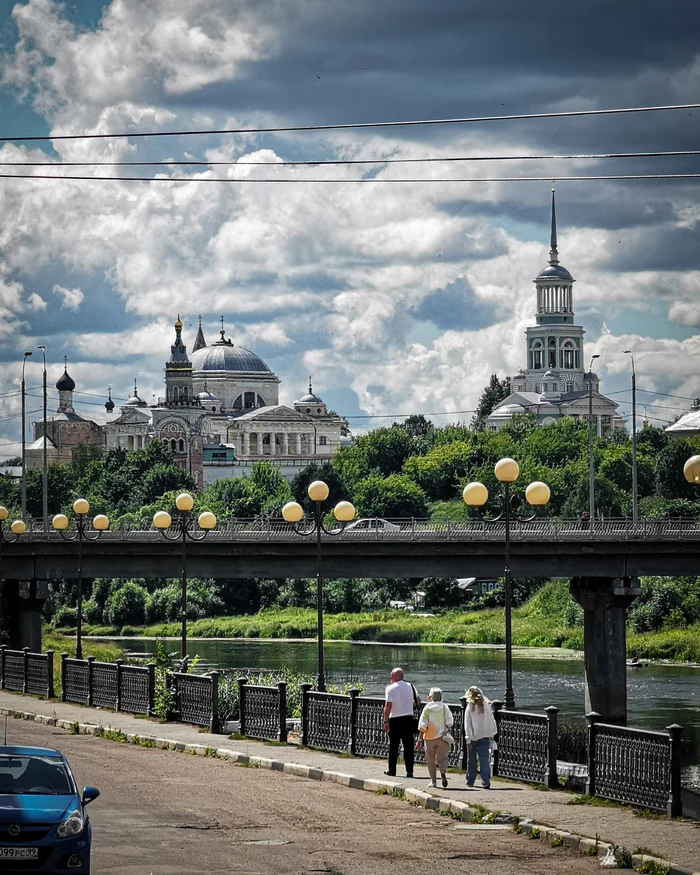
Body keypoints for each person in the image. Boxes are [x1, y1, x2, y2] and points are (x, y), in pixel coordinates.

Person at [383, 667, 420, 778]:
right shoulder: (411, 686)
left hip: (395, 720)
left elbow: (388, 705)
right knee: (409, 746)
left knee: (393, 746)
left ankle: (392, 770)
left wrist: (385, 721)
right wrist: (407, 704)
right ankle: (409, 771)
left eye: (391, 674)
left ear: (395, 675)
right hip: (408, 719)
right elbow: (418, 701)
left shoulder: (390, 688)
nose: (390, 676)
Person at [416, 687, 453, 789]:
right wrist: (445, 728)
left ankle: (433, 781)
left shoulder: (427, 708)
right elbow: (450, 722)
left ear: (430, 697)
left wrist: (419, 740)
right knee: (443, 757)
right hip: (442, 737)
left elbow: (423, 726)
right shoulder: (445, 707)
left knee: (430, 760)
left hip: (429, 737)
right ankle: (442, 772)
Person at [464, 685, 498, 789]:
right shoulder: (486, 705)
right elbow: (491, 720)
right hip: (485, 735)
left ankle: (470, 780)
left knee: (472, 759)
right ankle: (486, 781)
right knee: (484, 759)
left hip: (473, 737)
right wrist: (492, 733)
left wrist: (468, 736)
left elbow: (467, 722)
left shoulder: (470, 706)